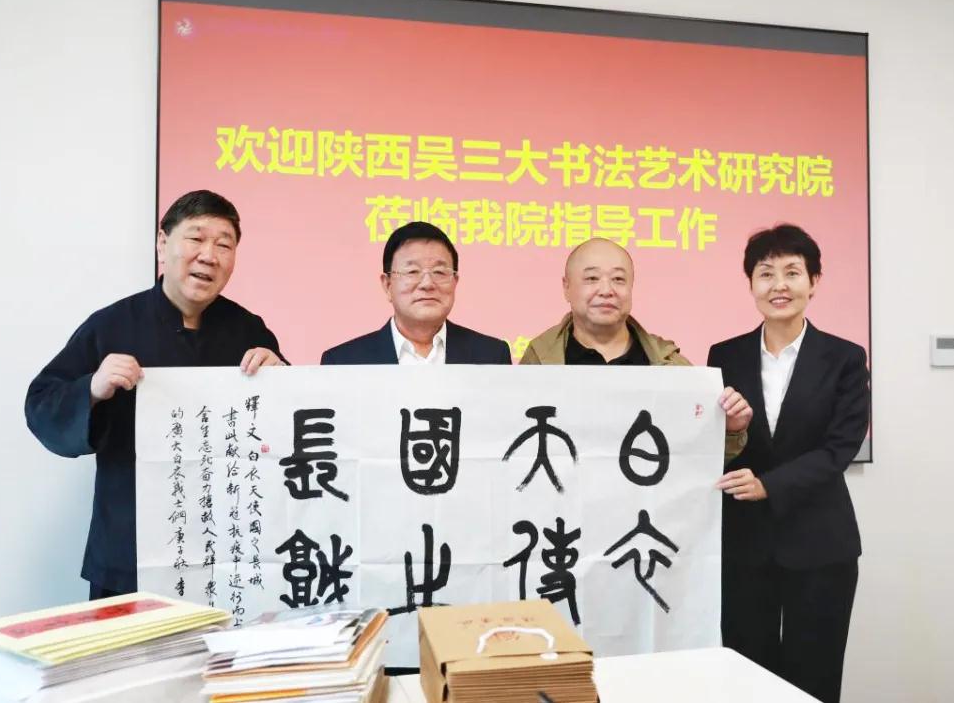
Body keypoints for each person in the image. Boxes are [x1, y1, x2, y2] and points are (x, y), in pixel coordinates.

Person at [25, 190, 285, 599]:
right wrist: (91, 388)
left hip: (226, 550)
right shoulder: (111, 325)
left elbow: (286, 432)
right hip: (128, 553)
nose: (209, 256)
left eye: (224, 245)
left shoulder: (248, 330)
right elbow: (41, 403)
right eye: (196, 238)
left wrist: (281, 378)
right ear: (163, 243)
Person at [707, 224, 869, 703]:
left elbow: (840, 447)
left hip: (820, 544)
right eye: (766, 273)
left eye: (792, 272)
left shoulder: (844, 357)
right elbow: (709, 441)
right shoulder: (724, 355)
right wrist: (731, 431)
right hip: (743, 544)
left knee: (814, 677)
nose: (779, 285)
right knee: (744, 676)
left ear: (814, 281)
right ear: (751, 284)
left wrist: (769, 485)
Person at [520, 237, 751, 458]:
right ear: (566, 287)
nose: (606, 290)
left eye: (618, 279)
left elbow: (697, 459)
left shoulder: (669, 364)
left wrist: (730, 429)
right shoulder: (539, 361)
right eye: (591, 278)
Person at [321, 221, 511, 365]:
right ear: (387, 285)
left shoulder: (492, 356)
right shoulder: (343, 362)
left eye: (439, 272)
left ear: (455, 282)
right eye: (412, 272)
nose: (427, 284)